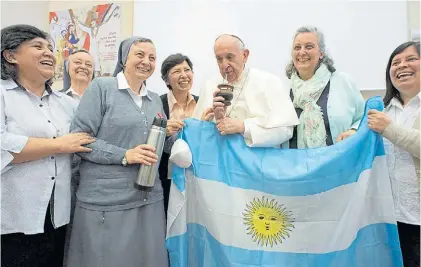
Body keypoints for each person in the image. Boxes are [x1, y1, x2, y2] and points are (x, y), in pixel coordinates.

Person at [67, 36, 168, 267]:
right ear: (124, 58)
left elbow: (157, 144)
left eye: (152, 57)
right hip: (107, 198)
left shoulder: (154, 100)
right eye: (139, 55)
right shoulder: (103, 87)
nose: (146, 62)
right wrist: (125, 155)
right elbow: (79, 139)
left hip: (148, 196)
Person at [0, 24, 94, 267]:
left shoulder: (66, 104)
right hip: (13, 217)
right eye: (38, 46)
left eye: (51, 48)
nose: (49, 53)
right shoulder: (3, 95)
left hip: (58, 217)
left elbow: (89, 139)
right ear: (10, 56)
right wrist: (58, 145)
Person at [192, 34, 299, 148]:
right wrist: (207, 123)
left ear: (245, 55)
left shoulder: (269, 82)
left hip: (259, 163)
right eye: (219, 59)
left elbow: (285, 130)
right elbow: (197, 138)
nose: (224, 65)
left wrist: (243, 127)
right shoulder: (210, 86)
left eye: (230, 57)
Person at [368, 41, 420, 267]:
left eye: (411, 59)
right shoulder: (382, 107)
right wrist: (351, 133)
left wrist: (388, 129)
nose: (402, 66)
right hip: (390, 217)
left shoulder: (385, 119)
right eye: (395, 62)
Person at [286, 26, 365, 149]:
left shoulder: (343, 82)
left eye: (309, 46)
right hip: (295, 166)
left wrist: (354, 131)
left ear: (321, 53)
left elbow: (364, 118)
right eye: (297, 47)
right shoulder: (284, 90)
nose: (302, 52)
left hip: (337, 163)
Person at [59, 49, 94, 266]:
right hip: (66, 172)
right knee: (67, 228)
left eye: (88, 64)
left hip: (95, 171)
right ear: (67, 69)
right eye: (77, 62)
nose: (83, 66)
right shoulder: (57, 99)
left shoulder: (103, 98)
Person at [158, 53, 198, 217]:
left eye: (187, 70)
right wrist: (164, 132)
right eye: (176, 71)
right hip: (166, 177)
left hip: (196, 175)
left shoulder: (202, 103)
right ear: (167, 80)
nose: (183, 75)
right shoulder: (157, 103)